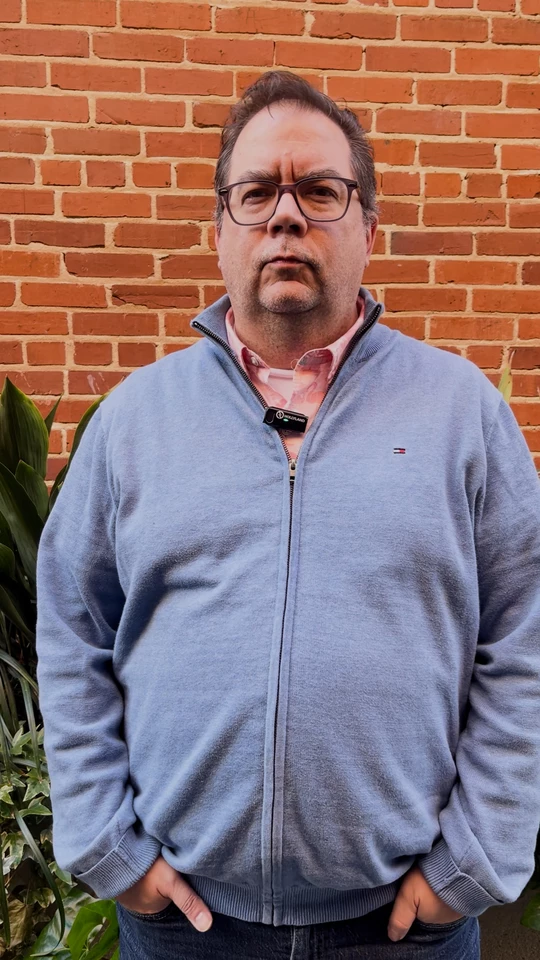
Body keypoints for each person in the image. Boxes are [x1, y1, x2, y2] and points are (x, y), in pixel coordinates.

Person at [35, 70, 540, 960]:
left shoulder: (463, 414)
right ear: (220, 229)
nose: (286, 215)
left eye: (320, 191)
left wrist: (470, 865)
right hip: (185, 930)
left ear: (369, 229)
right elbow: (75, 633)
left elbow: (524, 638)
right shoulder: (134, 422)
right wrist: (110, 850)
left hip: (404, 934)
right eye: (257, 191)